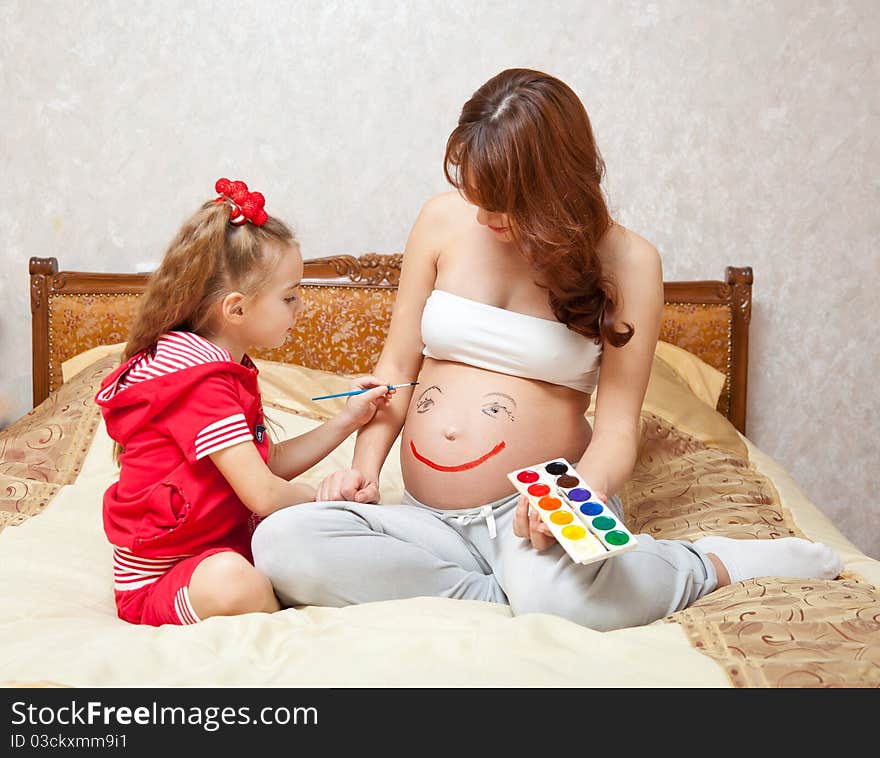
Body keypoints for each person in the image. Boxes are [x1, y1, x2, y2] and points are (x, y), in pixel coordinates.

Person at [251, 70, 843, 631]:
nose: (484, 215)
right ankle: (512, 593)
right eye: (475, 193)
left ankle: (704, 564)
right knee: (280, 542)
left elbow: (615, 430)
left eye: (502, 201)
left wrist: (578, 498)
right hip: (422, 516)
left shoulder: (629, 263)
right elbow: (395, 371)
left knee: (559, 595)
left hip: (533, 509)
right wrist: (362, 470)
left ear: (555, 185)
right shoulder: (441, 221)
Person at [95, 178, 394, 627]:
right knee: (238, 580)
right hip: (163, 579)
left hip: (218, 546)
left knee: (291, 550)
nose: (301, 308)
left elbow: (264, 463)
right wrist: (329, 502)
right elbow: (264, 493)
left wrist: (348, 418)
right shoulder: (197, 381)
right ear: (235, 309)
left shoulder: (221, 364)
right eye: (289, 296)